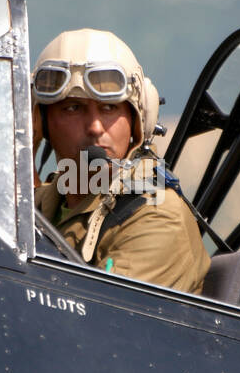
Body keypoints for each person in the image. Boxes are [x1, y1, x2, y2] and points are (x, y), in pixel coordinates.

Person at [33, 28, 210, 294]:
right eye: (73, 108)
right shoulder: (48, 201)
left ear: (138, 120)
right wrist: (23, 144)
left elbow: (93, 318)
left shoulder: (156, 216)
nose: (94, 127)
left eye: (109, 108)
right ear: (42, 122)